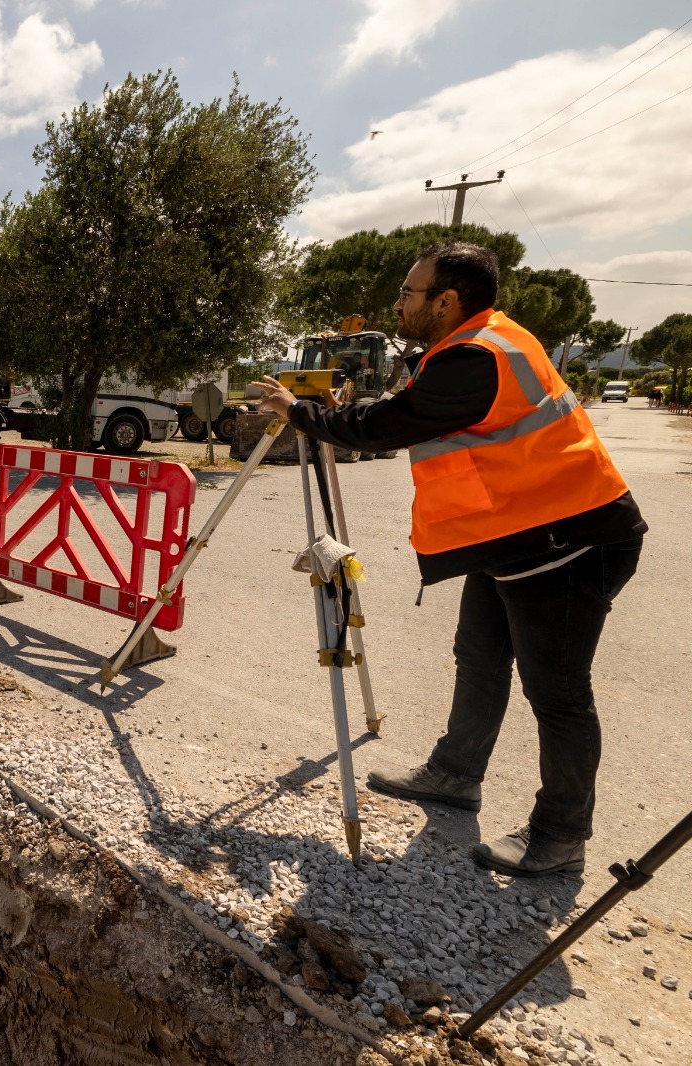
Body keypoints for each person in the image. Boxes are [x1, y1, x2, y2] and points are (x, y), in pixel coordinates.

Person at [254, 241, 647, 877]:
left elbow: (387, 425)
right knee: (480, 657)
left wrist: (301, 414)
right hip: (515, 536)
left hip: (566, 543)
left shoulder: (475, 357)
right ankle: (456, 773)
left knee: (559, 694)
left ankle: (561, 835)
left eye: (409, 293)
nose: (399, 302)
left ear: (447, 300)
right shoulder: (482, 341)